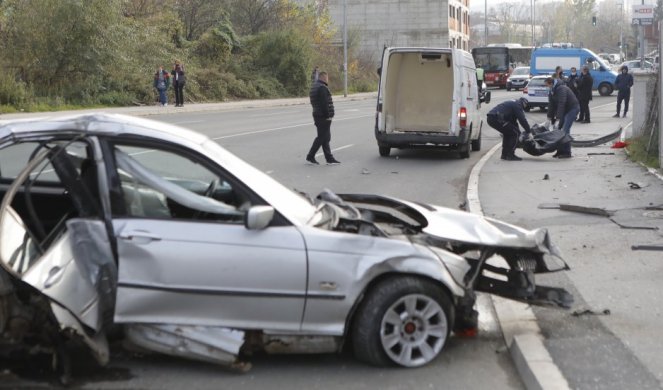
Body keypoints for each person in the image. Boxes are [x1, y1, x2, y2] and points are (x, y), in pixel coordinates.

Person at [306, 71, 340, 165]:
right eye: (327, 78)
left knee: (326, 137)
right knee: (321, 137)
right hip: (323, 116)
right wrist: (328, 116)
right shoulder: (322, 88)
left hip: (317, 115)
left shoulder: (315, 86)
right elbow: (324, 104)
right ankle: (310, 156)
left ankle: (329, 158)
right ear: (324, 77)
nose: (328, 80)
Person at [546, 76, 579, 158]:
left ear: (551, 83)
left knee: (565, 130)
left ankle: (567, 152)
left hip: (572, 109)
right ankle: (560, 151)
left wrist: (558, 118)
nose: (546, 87)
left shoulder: (561, 88)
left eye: (547, 85)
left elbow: (562, 103)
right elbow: (551, 105)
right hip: (565, 110)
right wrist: (549, 118)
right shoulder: (552, 91)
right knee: (557, 130)